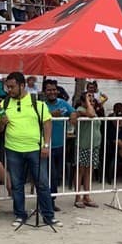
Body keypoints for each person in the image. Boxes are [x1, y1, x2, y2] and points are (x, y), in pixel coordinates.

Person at [0, 72, 61, 227]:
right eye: (7, 87)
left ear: (22, 85)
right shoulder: (4, 104)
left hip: (35, 148)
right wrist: (2, 123)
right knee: (17, 184)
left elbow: (47, 123)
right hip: (13, 149)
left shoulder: (36, 102)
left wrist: (46, 145)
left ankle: (48, 216)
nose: (9, 90)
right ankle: (19, 214)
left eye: (12, 87)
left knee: (42, 183)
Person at [43, 79, 77, 212]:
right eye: (49, 90)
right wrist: (51, 115)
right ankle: (47, 202)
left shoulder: (63, 103)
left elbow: (73, 112)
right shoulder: (42, 105)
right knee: (49, 175)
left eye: (53, 89)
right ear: (45, 92)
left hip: (60, 145)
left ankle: (51, 200)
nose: (52, 92)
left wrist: (73, 115)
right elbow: (38, 118)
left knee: (56, 176)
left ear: (57, 90)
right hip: (47, 146)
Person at [73, 91, 100, 209]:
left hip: (93, 145)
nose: (92, 101)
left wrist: (91, 102)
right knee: (80, 171)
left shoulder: (91, 109)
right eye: (89, 99)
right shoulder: (81, 110)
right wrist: (88, 102)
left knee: (89, 170)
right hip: (83, 145)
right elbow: (91, 114)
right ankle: (77, 196)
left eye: (93, 99)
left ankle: (87, 196)